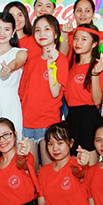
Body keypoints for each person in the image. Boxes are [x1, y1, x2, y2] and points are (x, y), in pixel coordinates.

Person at [19, 15, 68, 167]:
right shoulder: (32, 61)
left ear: (56, 34)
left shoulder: (61, 60)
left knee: (49, 171)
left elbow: (55, 92)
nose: (42, 34)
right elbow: (22, 93)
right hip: (27, 123)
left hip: (48, 123)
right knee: (31, 171)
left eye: (47, 29)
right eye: (38, 30)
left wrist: (50, 65)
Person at [65, 24, 103, 163]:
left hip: (89, 119)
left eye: (84, 39)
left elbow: (97, 101)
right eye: (76, 38)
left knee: (90, 166)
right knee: (74, 166)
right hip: (72, 118)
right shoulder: (71, 66)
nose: (78, 42)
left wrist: (95, 75)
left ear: (94, 44)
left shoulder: (97, 67)